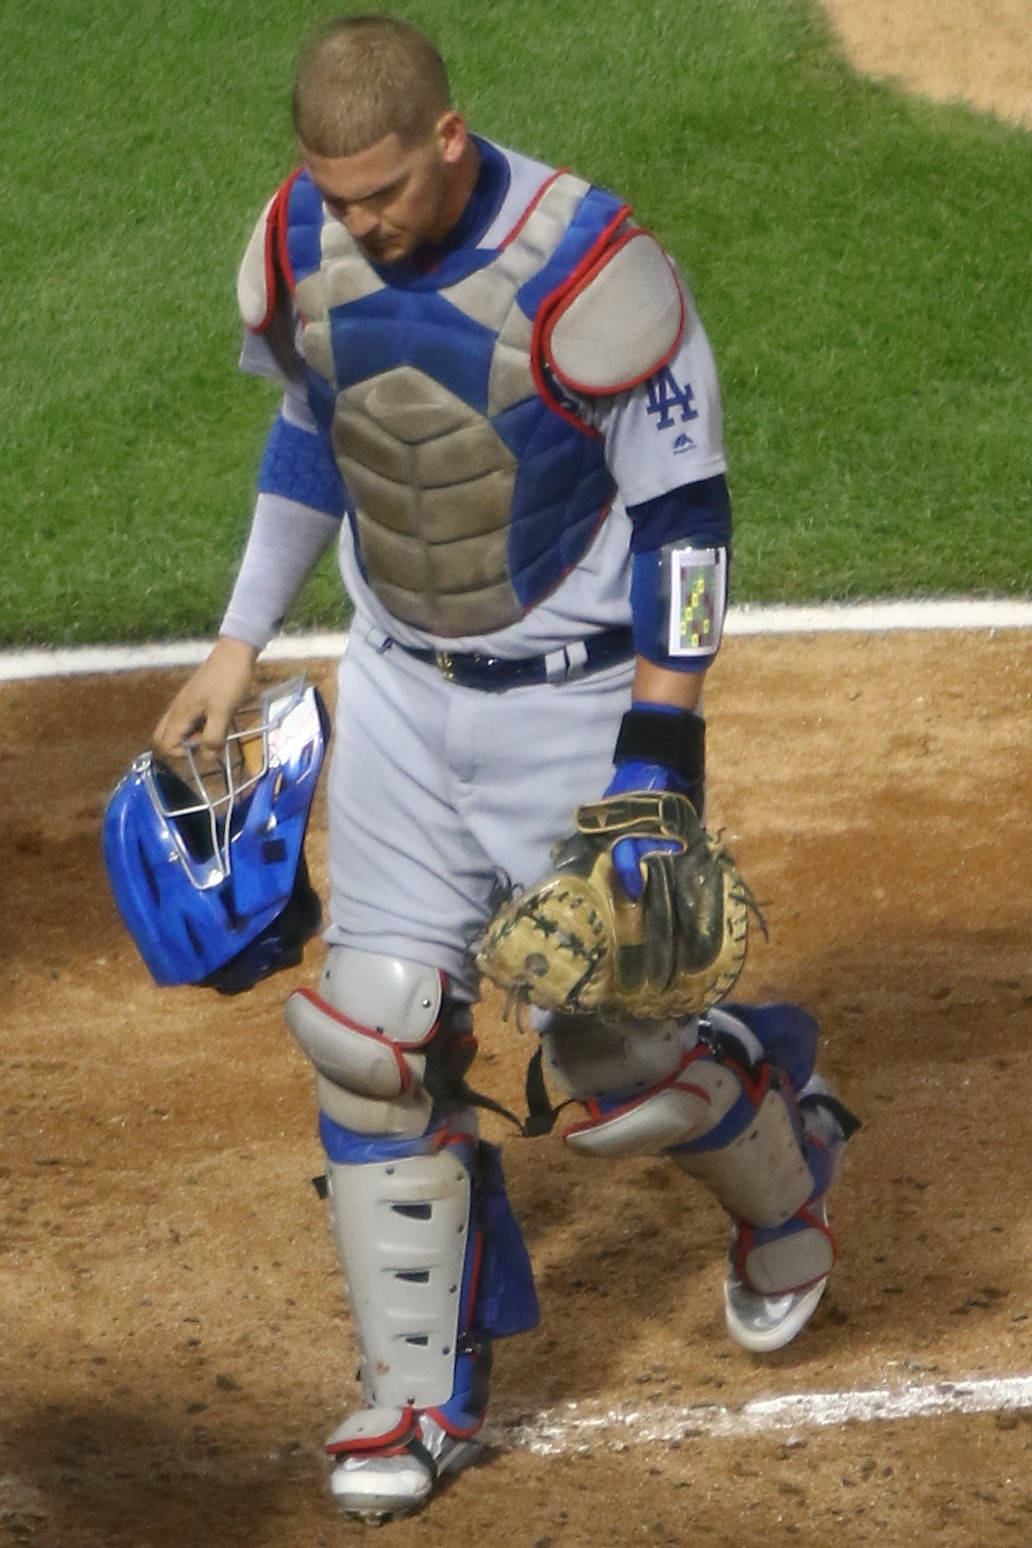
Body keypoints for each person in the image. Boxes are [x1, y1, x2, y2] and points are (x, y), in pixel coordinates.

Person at [153, 13, 855, 1522]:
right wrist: (236, 640)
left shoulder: (593, 272)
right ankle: (421, 1400)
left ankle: (777, 1133)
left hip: (581, 705)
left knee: (617, 1065)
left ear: (449, 138)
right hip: (402, 688)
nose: (364, 221)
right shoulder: (300, 246)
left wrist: (660, 754)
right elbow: (317, 430)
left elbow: (690, 527)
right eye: (338, 195)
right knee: (374, 1037)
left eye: (387, 191)